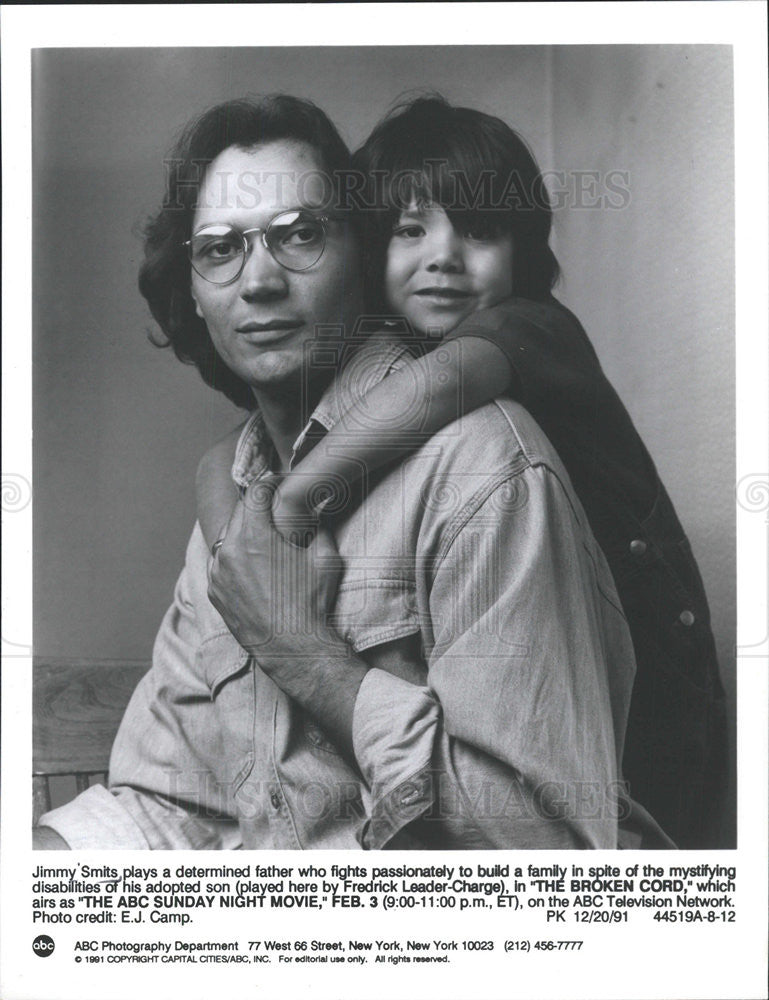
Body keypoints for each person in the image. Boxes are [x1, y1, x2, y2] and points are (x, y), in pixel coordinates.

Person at [35, 95, 670, 850]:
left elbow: (538, 868)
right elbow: (168, 801)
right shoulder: (233, 499)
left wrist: (300, 648)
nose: (259, 280)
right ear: (195, 295)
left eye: (300, 234)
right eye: (218, 248)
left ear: (362, 260)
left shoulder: (483, 465)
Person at [198, 95, 728, 849]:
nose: (442, 255)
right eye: (408, 230)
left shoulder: (526, 328)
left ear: (524, 256)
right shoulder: (377, 370)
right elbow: (220, 457)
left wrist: (288, 514)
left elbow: (427, 393)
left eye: (479, 230)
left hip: (658, 706)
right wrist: (240, 555)